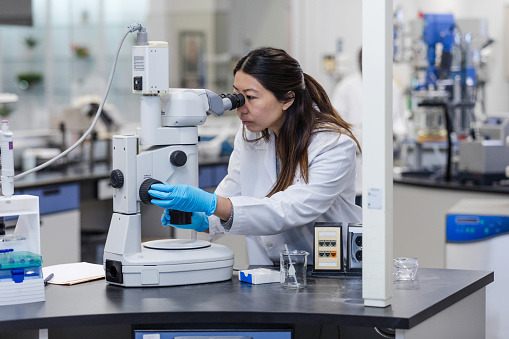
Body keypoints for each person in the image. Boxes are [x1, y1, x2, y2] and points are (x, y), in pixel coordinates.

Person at [148, 47, 362, 266]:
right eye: (238, 96)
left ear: (287, 99)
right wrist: (205, 220)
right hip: (269, 272)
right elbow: (234, 188)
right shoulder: (251, 135)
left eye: (250, 97)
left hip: (327, 271)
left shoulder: (333, 144)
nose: (241, 107)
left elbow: (290, 209)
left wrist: (211, 202)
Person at [331, 48, 408, 205]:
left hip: (384, 159)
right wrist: (358, 139)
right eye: (361, 60)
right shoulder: (346, 87)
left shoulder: (392, 87)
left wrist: (394, 134)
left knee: (383, 206)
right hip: (356, 160)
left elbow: (400, 120)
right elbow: (335, 124)